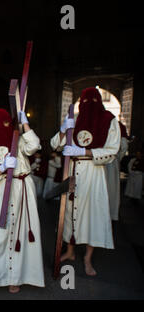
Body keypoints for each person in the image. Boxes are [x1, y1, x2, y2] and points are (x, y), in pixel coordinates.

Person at [0, 109, 44, 294]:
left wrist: (24, 123)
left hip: (21, 191)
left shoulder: (18, 140)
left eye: (5, 123)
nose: (1, 128)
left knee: (18, 234)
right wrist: (2, 168)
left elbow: (35, 145)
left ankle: (15, 278)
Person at [51, 87, 120, 276]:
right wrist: (64, 130)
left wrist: (84, 152)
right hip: (73, 172)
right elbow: (54, 144)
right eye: (85, 102)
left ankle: (88, 258)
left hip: (94, 174)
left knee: (92, 214)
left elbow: (112, 151)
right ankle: (70, 252)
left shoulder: (109, 121)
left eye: (93, 102)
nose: (88, 106)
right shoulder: (75, 119)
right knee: (70, 212)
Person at [105, 121, 129, 220]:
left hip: (93, 160)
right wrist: (118, 158)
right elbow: (124, 146)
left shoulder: (92, 122)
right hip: (112, 160)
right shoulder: (118, 125)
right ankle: (111, 213)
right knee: (111, 188)